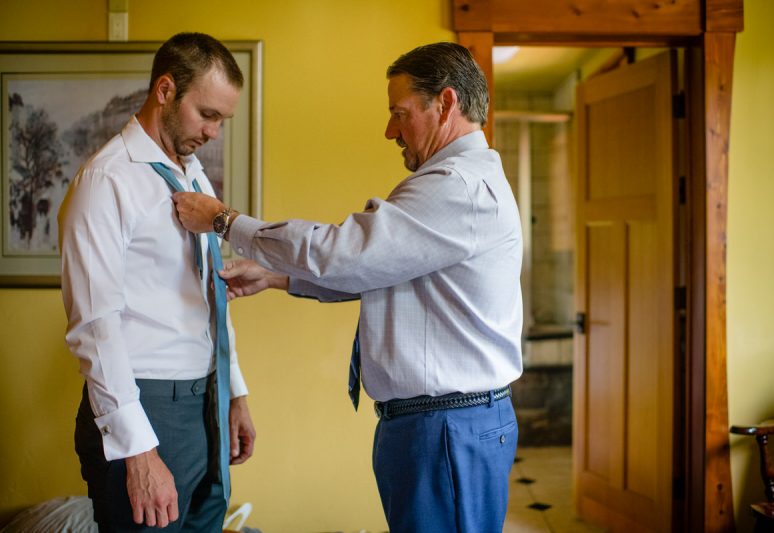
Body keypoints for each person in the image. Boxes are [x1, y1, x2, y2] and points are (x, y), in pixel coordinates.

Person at [173, 41, 522, 532]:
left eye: (399, 113)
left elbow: (343, 253)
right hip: (437, 427)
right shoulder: (457, 181)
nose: (389, 131)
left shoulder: (456, 187)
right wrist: (277, 277)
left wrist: (225, 221)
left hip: (446, 429)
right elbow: (378, 271)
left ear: (445, 103)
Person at [59, 32, 255, 531]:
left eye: (222, 120)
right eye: (207, 114)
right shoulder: (105, 183)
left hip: (203, 401)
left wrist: (233, 393)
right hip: (146, 408)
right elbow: (95, 327)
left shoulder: (194, 179)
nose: (214, 132)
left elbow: (209, 294)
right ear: (165, 90)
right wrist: (138, 451)